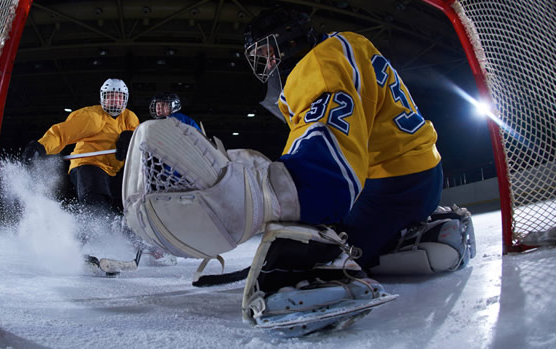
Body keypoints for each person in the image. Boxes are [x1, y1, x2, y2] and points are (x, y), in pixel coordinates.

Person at [121, 6, 474, 336]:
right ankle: (414, 235)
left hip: (393, 186)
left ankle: (411, 240)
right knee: (329, 236)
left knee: (320, 252)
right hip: (408, 175)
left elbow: (327, 164)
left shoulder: (319, 63)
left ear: (288, 40)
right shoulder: (340, 49)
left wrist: (273, 200)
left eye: (265, 52)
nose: (265, 63)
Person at [23, 78, 138, 219]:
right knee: (97, 204)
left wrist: (130, 137)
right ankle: (93, 231)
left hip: (115, 171)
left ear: (125, 99)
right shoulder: (92, 117)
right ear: (102, 98)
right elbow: (62, 134)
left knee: (123, 205)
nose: (115, 101)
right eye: (110, 97)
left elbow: (141, 138)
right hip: (89, 164)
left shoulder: (129, 118)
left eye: (119, 97)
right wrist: (41, 146)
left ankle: (122, 234)